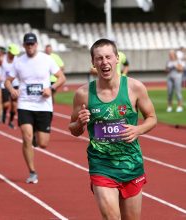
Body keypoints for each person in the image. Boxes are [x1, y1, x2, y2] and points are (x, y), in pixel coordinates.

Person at [69, 39, 157, 220]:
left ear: (117, 59)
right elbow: (73, 129)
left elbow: (152, 118)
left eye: (108, 57)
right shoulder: (83, 93)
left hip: (131, 164)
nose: (104, 62)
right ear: (93, 63)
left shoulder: (135, 87)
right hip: (101, 165)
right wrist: (79, 123)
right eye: (99, 58)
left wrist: (138, 130)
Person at [5, 33, 66, 184]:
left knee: (43, 143)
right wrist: (12, 90)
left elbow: (62, 78)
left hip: (44, 105)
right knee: (26, 137)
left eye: (32, 44)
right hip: (25, 104)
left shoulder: (47, 59)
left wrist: (51, 89)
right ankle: (32, 171)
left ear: (36, 45)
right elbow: (7, 81)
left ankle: (34, 137)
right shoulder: (18, 62)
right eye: (27, 44)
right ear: (24, 46)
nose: (30, 47)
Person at [0, 43, 20, 128]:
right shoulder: (1, 60)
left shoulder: (18, 60)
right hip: (5, 84)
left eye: (15, 54)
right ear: (8, 52)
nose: (13, 55)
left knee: (14, 105)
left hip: (15, 84)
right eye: (12, 53)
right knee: (6, 104)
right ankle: (4, 113)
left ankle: (11, 121)